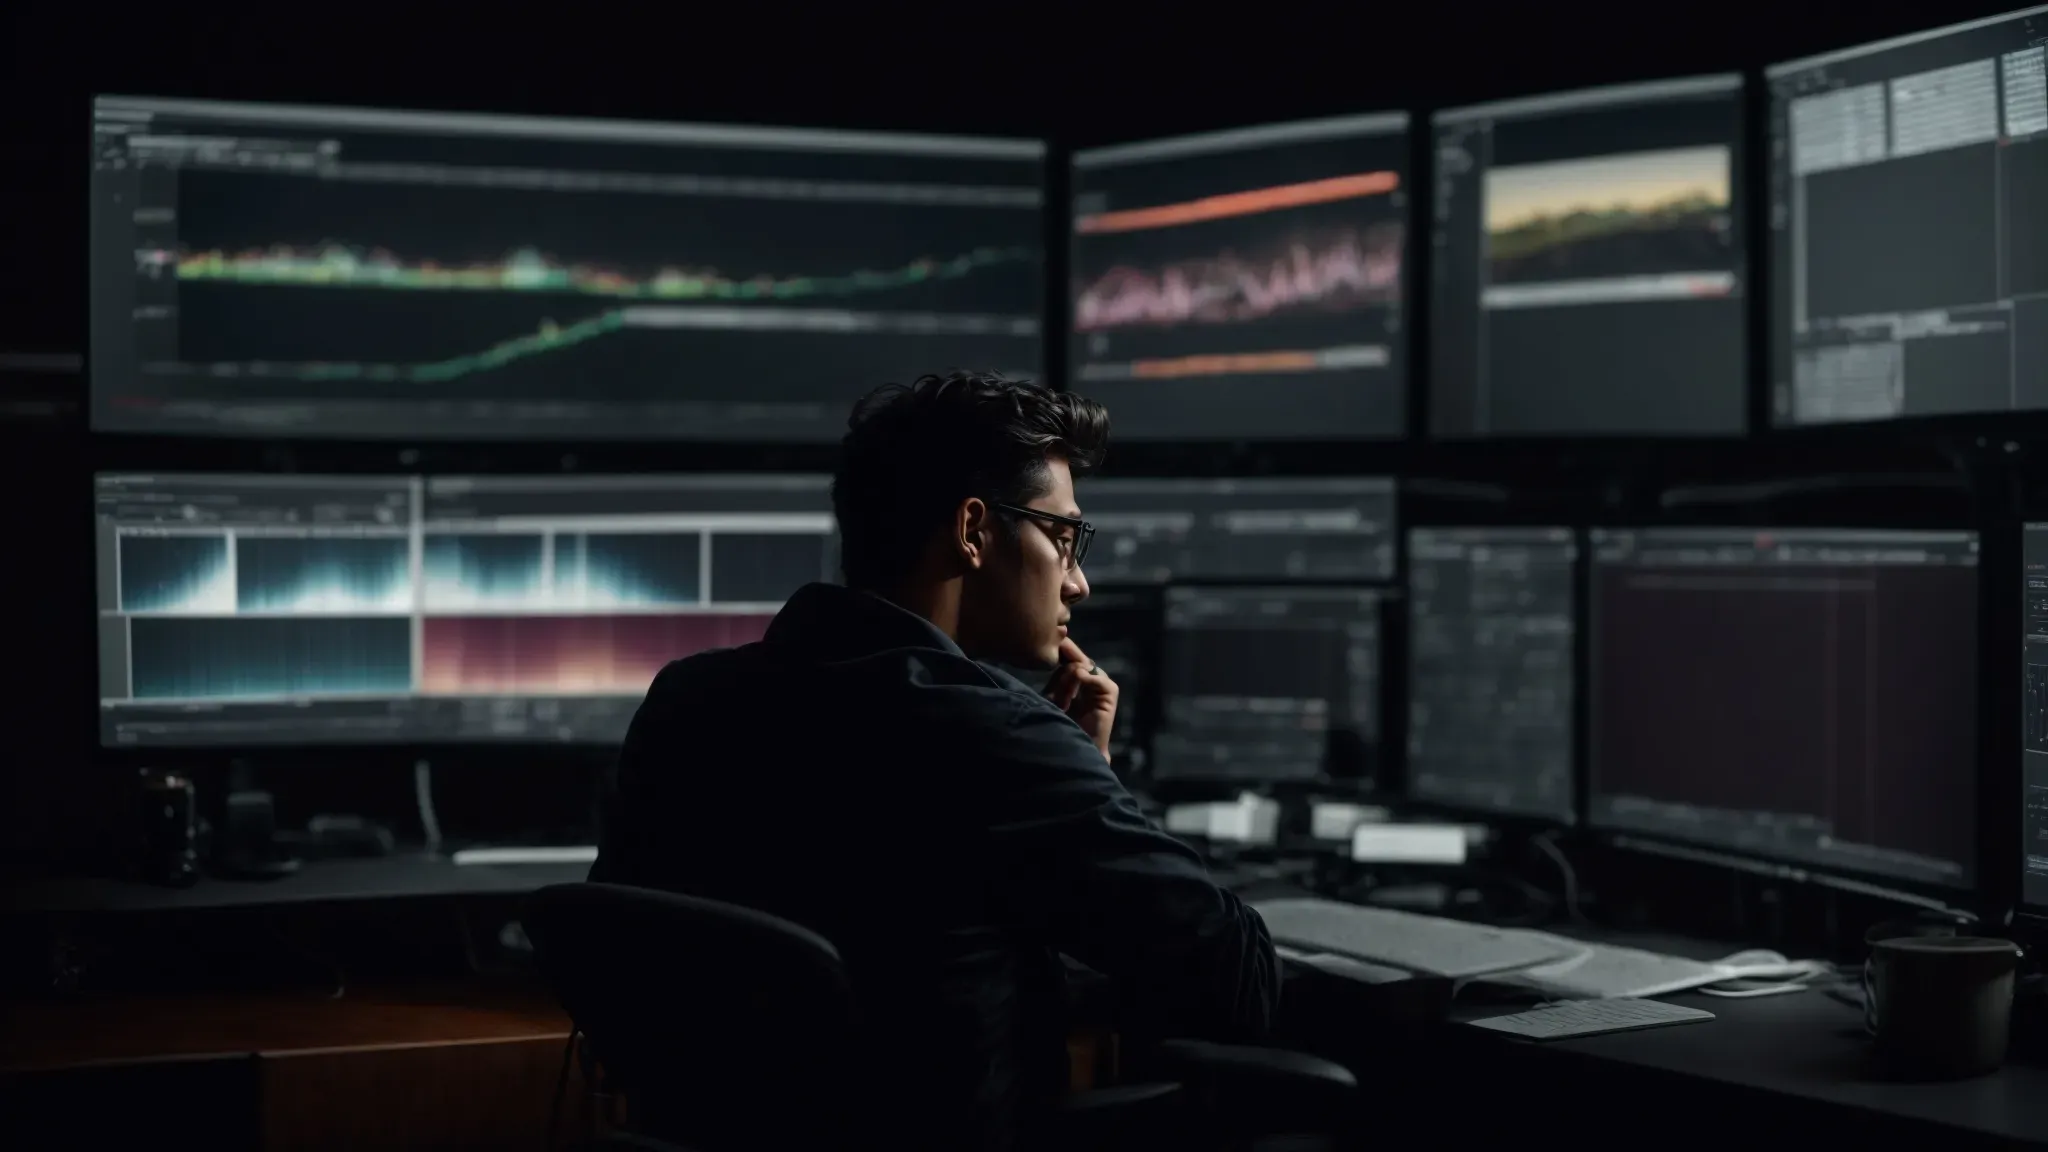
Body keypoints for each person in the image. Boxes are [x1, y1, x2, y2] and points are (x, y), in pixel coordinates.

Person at [590, 371, 1280, 1149]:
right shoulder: (1001, 736)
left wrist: (1073, 782)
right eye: (1063, 537)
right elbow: (1240, 979)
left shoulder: (686, 700)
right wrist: (1087, 779)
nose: (1078, 582)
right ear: (973, 530)